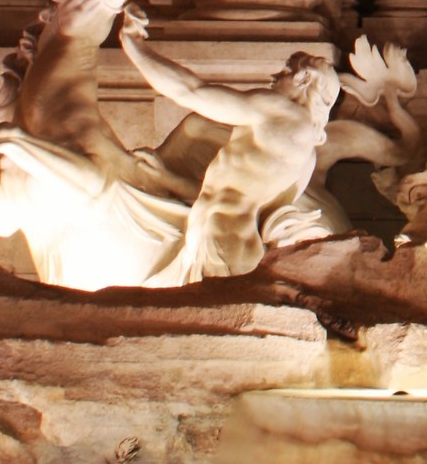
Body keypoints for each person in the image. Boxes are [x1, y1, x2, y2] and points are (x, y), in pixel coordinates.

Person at [118, 27, 340, 281]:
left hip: (224, 243)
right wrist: (168, 180)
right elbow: (237, 199)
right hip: (222, 242)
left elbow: (191, 91)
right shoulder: (307, 157)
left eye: (287, 71)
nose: (275, 76)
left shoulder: (280, 110)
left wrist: (135, 46)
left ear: (304, 79)